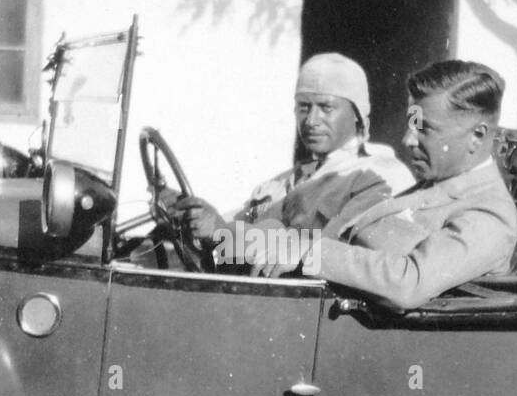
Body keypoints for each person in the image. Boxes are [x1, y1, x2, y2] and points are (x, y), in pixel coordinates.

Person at [267, 60, 517, 310]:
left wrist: (311, 252)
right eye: (410, 125)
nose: (407, 140)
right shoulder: (433, 186)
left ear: (477, 136)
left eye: (424, 129)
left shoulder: (490, 214)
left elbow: (409, 283)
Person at [173, 53, 413, 263]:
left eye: (326, 108)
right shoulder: (289, 180)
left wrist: (220, 231)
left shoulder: (379, 174)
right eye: (304, 107)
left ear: (357, 115)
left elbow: (334, 254)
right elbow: (235, 221)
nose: (311, 121)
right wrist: (192, 216)